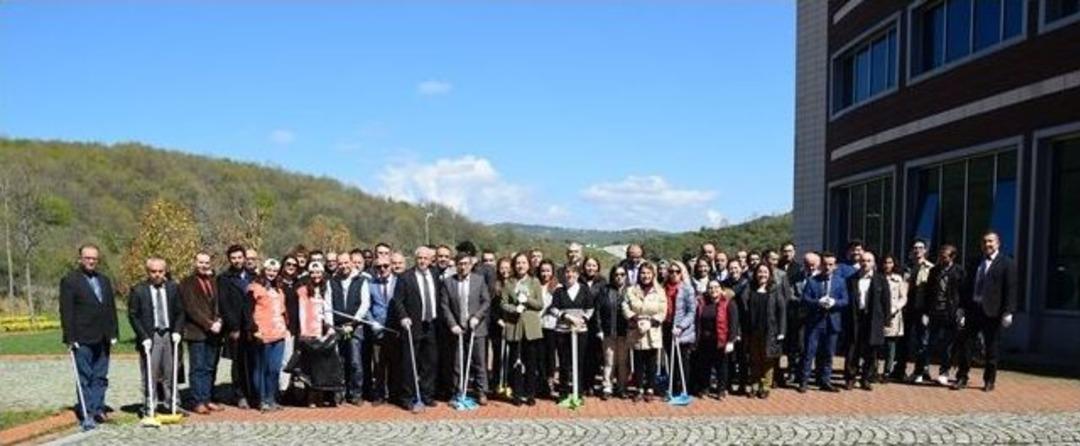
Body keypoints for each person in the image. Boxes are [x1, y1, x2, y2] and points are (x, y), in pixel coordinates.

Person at [60, 244, 119, 430]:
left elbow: (110, 308)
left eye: (94, 258)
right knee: (85, 376)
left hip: (103, 337)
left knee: (101, 376)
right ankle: (87, 412)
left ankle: (98, 407)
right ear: (80, 259)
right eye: (87, 258)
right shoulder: (70, 280)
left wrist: (114, 332)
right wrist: (70, 337)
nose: (91, 261)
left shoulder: (104, 280)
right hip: (82, 337)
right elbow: (66, 311)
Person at [952, 232, 1017, 392]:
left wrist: (1008, 311)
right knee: (966, 345)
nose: (987, 244)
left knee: (991, 347)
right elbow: (966, 287)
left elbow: (1011, 289)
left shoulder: (1006, 263)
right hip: (974, 309)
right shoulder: (975, 262)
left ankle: (989, 380)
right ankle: (962, 377)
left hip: (992, 311)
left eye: (990, 241)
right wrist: (961, 308)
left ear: (998, 243)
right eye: (984, 241)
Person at [129, 258, 186, 417]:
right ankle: (150, 405)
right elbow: (133, 315)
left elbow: (180, 311)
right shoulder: (139, 290)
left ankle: (172, 403)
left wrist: (177, 331)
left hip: (169, 334)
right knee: (150, 373)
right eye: (153, 271)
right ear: (148, 272)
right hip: (151, 335)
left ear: (165, 271)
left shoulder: (173, 288)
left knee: (171, 372)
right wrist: (143, 336)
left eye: (160, 271)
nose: (157, 275)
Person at [391, 246, 441, 411]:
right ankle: (408, 396)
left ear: (430, 260)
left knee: (430, 362)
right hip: (413, 325)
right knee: (409, 363)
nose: (422, 261)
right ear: (415, 259)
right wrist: (403, 316)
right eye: (419, 258)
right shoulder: (406, 277)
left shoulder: (434, 274)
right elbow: (397, 300)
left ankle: (426, 395)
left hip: (431, 325)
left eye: (426, 258)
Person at [440, 253, 492, 405]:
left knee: (479, 362)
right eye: (460, 264)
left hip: (477, 328)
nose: (463, 267)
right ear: (456, 265)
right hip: (458, 328)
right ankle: (458, 391)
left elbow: (486, 301)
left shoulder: (479, 280)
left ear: (470, 265)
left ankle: (481, 391)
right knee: (457, 363)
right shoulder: (449, 282)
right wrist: (452, 324)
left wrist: (477, 316)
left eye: (466, 264)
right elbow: (444, 305)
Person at [179, 252, 224, 414]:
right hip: (196, 332)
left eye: (206, 262)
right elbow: (191, 308)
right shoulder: (186, 283)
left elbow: (218, 304)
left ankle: (207, 398)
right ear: (194, 263)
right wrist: (208, 324)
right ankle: (197, 400)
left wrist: (218, 320)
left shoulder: (213, 282)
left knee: (210, 367)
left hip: (215, 332)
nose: (204, 265)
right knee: (197, 367)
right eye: (200, 262)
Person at [912, 244, 964, 385]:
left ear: (952, 257)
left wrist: (961, 312)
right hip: (934, 311)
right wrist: (925, 312)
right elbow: (928, 293)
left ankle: (944, 372)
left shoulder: (959, 271)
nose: (941, 258)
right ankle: (921, 370)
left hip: (950, 313)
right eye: (940, 255)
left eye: (945, 256)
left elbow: (963, 293)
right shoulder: (934, 271)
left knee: (946, 345)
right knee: (928, 342)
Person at [286, 261, 334, 407]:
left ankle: (320, 395)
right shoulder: (302, 289)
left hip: (322, 331)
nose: (316, 275)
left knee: (321, 366)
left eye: (318, 272)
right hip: (308, 331)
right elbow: (300, 311)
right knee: (309, 367)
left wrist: (330, 326)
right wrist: (302, 331)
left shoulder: (326, 287)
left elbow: (329, 308)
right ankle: (310, 396)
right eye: (313, 273)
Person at [501, 253, 544, 406]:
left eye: (523, 262)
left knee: (531, 363)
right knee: (515, 362)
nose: (520, 265)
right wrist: (515, 309)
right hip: (515, 326)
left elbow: (540, 304)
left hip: (531, 328)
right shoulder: (509, 283)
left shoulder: (535, 282)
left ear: (528, 265)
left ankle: (530, 393)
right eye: (518, 263)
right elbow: (503, 304)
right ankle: (517, 393)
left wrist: (528, 300)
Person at [799, 252, 847, 393]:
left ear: (835, 266)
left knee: (828, 353)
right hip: (815, 322)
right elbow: (805, 299)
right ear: (821, 265)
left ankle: (825, 380)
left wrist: (835, 302)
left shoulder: (840, 281)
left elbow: (846, 300)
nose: (827, 267)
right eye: (825, 264)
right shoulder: (813, 281)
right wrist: (817, 302)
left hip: (832, 322)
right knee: (809, 353)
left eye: (831, 264)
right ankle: (804, 381)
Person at [843, 251, 890, 391]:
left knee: (871, 351)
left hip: (873, 319)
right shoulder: (851, 279)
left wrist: (887, 322)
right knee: (853, 349)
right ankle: (850, 378)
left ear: (873, 263)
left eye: (869, 261)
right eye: (863, 260)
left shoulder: (881, 280)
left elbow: (886, 302)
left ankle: (866, 379)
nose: (865, 263)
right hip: (856, 318)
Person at [548, 265, 594, 401]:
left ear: (578, 274)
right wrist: (566, 316)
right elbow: (553, 309)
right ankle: (563, 393)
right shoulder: (559, 291)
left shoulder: (585, 290)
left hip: (580, 331)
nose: (570, 275)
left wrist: (582, 319)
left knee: (579, 362)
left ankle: (577, 392)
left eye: (573, 272)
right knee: (564, 363)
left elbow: (590, 308)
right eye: (567, 272)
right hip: (562, 331)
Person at [622, 262, 666, 402]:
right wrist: (634, 319)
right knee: (638, 361)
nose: (645, 276)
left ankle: (650, 388)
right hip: (636, 329)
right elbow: (625, 306)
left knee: (652, 361)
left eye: (648, 273)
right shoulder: (631, 290)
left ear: (653, 274)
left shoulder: (659, 291)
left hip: (652, 330)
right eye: (643, 273)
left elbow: (663, 310)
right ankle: (639, 388)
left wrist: (651, 322)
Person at [249, 259, 289, 412]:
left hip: (279, 333)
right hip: (262, 333)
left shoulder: (279, 289)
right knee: (261, 368)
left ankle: (272, 398)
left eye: (274, 271)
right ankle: (262, 399)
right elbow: (248, 311)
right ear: (264, 270)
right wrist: (254, 329)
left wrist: (286, 327)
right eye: (269, 270)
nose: (271, 273)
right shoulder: (255, 288)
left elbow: (283, 311)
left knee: (274, 368)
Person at [218, 244, 255, 408]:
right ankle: (240, 394)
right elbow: (224, 304)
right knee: (238, 362)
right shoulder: (224, 279)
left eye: (239, 257)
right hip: (236, 327)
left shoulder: (253, 276)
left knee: (252, 361)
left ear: (245, 258)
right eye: (233, 258)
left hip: (252, 326)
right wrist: (233, 328)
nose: (237, 261)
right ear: (229, 260)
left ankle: (253, 392)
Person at [330, 251, 370, 405]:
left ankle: (356, 393)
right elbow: (328, 304)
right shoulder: (332, 281)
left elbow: (364, 304)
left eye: (346, 263)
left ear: (352, 263)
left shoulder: (361, 280)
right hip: (338, 327)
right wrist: (331, 326)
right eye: (340, 263)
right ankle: (340, 393)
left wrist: (353, 323)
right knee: (339, 362)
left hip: (355, 327)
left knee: (355, 362)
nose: (343, 266)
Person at [742, 262, 786, 399]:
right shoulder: (750, 288)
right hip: (753, 331)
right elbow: (744, 306)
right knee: (755, 359)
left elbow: (781, 310)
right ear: (755, 274)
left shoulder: (775, 288)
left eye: (765, 272)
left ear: (769, 274)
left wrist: (781, 331)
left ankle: (765, 386)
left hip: (770, 331)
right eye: (760, 272)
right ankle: (755, 384)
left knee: (768, 360)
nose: (762, 275)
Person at [692, 280, 739, 399]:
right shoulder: (702, 303)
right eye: (710, 287)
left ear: (721, 289)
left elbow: (734, 323)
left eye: (716, 287)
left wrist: (731, 341)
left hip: (721, 340)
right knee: (705, 366)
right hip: (704, 340)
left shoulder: (728, 303)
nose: (713, 290)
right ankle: (705, 388)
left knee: (721, 366)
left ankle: (721, 389)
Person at [896, 239, 933, 382]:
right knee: (903, 340)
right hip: (906, 309)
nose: (917, 250)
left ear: (925, 250)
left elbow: (932, 292)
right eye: (915, 247)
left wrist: (928, 312)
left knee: (922, 341)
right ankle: (900, 369)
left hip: (922, 309)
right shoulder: (906, 268)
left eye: (921, 247)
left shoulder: (930, 268)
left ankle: (921, 370)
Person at [365, 254, 400, 406]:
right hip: (378, 330)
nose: (382, 269)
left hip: (394, 330)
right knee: (379, 364)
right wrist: (372, 322)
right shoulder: (370, 284)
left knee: (395, 363)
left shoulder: (399, 282)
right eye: (378, 267)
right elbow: (366, 306)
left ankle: (393, 394)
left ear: (391, 266)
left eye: (385, 266)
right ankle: (379, 394)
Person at [596, 265, 629, 399]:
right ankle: (607, 387)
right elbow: (598, 311)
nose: (619, 277)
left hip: (625, 332)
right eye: (616, 274)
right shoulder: (605, 290)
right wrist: (599, 329)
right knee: (609, 361)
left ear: (626, 276)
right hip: (608, 331)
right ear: (612, 276)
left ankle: (622, 387)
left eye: (622, 274)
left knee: (623, 361)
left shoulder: (630, 291)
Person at [664, 260, 696, 397]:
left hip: (681, 330)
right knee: (671, 359)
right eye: (671, 271)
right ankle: (673, 387)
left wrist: (681, 326)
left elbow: (692, 312)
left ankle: (684, 388)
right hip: (667, 327)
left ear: (682, 273)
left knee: (682, 361)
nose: (674, 274)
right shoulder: (663, 287)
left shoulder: (687, 288)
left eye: (677, 271)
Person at [723, 259, 751, 394]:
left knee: (743, 357)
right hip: (729, 323)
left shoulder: (748, 282)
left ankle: (742, 384)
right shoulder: (724, 284)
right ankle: (727, 384)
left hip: (744, 323)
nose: (734, 270)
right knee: (729, 358)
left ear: (741, 268)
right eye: (731, 268)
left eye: (736, 268)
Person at [488, 257, 513, 398]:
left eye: (507, 267)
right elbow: (491, 307)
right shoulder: (495, 286)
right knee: (498, 356)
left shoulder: (515, 284)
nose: (505, 270)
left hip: (513, 326)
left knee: (511, 356)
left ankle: (509, 383)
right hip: (498, 326)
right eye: (502, 268)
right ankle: (497, 384)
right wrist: (498, 320)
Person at [880, 255, 908, 385]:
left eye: (890, 262)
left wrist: (896, 308)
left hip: (893, 315)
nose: (887, 265)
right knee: (876, 344)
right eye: (885, 262)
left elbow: (903, 297)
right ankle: (872, 369)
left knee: (890, 345)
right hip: (878, 315)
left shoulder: (898, 279)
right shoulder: (877, 277)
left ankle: (887, 371)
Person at [536, 259, 561, 399]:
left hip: (552, 326)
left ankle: (550, 382)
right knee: (539, 356)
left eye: (548, 271)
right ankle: (541, 382)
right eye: (543, 270)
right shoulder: (535, 285)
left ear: (553, 272)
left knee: (550, 356)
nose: (545, 273)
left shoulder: (557, 287)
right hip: (537, 326)